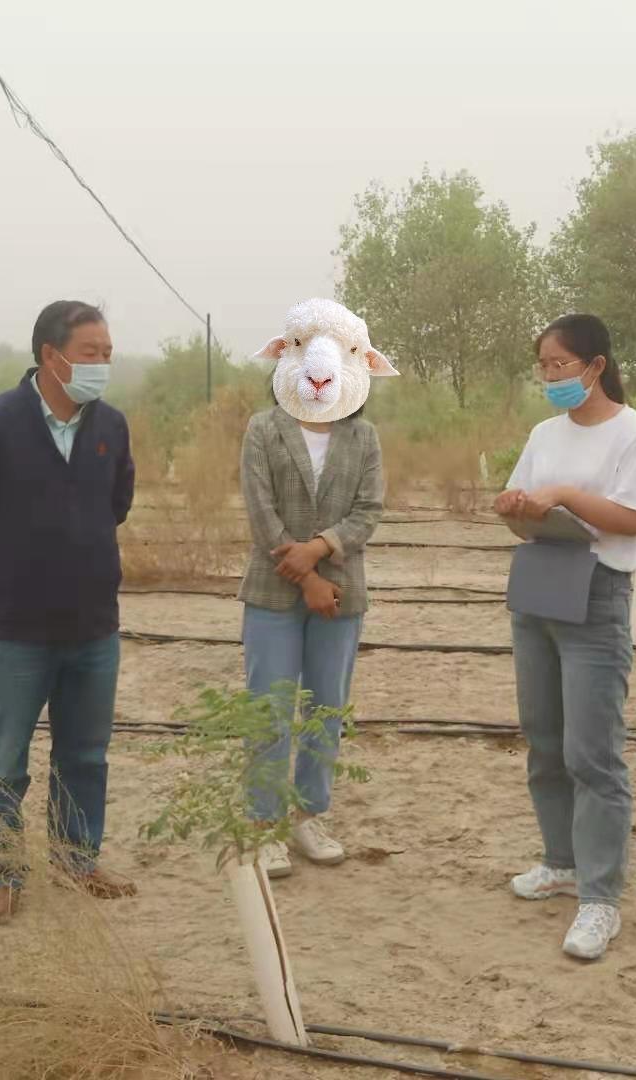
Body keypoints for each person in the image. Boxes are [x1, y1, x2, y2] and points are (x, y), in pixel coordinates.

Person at [0, 300, 135, 928]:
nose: (102, 364)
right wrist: (13, 561)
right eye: (90, 352)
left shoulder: (111, 427)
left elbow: (117, 503)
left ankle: (76, 861)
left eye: (107, 353)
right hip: (16, 628)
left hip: (92, 626)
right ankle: (1, 873)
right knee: (2, 760)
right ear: (51, 357)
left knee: (85, 754)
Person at [495, 313, 636, 961]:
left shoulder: (634, 433)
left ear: (595, 367)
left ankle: (600, 898)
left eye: (560, 365)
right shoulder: (543, 433)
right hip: (538, 584)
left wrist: (562, 494)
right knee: (544, 739)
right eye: (542, 366)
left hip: (596, 596)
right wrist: (516, 508)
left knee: (593, 754)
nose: (550, 377)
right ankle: (559, 862)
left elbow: (632, 517)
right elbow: (520, 503)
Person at [239, 298, 394, 877]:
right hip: (275, 592)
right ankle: (262, 824)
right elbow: (262, 515)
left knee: (326, 708)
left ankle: (308, 816)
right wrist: (306, 576)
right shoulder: (263, 431)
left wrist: (321, 550)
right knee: (271, 709)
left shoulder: (364, 437)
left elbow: (369, 510)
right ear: (287, 355)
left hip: (342, 597)